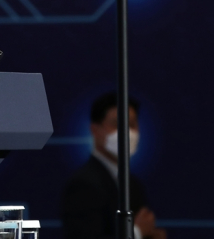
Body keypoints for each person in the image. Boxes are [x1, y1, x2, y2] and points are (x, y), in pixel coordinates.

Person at [61, 92, 166, 239]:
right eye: (117, 124)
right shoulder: (82, 185)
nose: (127, 132)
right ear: (95, 130)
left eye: (132, 124)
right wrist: (136, 233)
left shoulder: (134, 185)